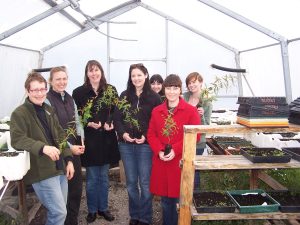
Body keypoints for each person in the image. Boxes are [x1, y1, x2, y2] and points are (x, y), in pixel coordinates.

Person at [10, 72, 75, 225]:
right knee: (59, 213)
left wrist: (69, 159)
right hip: (42, 171)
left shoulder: (48, 109)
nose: (39, 93)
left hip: (59, 167)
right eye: (35, 90)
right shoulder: (20, 113)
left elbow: (60, 135)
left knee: (59, 211)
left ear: (47, 89)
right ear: (27, 91)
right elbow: (17, 139)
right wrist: (43, 147)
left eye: (42, 89)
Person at [147, 74, 200, 225]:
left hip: (180, 162)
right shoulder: (157, 111)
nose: (171, 92)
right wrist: (159, 150)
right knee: (165, 202)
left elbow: (195, 136)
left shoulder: (190, 111)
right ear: (164, 90)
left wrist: (175, 150)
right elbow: (151, 134)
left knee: (180, 202)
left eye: (175, 88)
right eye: (168, 88)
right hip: (162, 161)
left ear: (180, 90)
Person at [114, 63, 161, 225]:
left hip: (145, 146)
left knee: (146, 183)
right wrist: (123, 134)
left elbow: (157, 122)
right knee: (132, 182)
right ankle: (135, 215)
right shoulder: (124, 95)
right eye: (133, 75)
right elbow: (117, 118)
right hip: (126, 146)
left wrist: (146, 136)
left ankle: (146, 218)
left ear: (146, 75)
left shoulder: (154, 98)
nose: (136, 78)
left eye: (139, 75)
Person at [72, 60, 120, 223]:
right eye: (90, 71)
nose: (94, 73)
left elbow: (116, 111)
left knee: (104, 177)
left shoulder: (110, 90)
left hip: (106, 139)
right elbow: (76, 116)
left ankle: (104, 208)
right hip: (90, 141)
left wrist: (111, 122)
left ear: (101, 71)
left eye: (96, 70)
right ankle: (92, 210)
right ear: (86, 74)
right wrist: (88, 122)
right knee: (92, 178)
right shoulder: (79, 92)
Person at [46, 66, 85, 225]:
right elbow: (53, 130)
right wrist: (70, 146)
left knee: (76, 189)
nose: (62, 82)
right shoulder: (47, 100)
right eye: (58, 79)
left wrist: (82, 139)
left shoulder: (69, 98)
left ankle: (72, 220)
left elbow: (77, 121)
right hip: (59, 151)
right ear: (51, 81)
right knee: (63, 192)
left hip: (74, 149)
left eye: (64, 78)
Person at [183, 72, 212, 189]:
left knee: (194, 171)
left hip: (198, 142)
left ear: (201, 82)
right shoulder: (184, 97)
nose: (191, 85)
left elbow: (207, 126)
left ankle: (195, 198)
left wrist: (202, 115)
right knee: (183, 169)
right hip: (183, 139)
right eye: (189, 83)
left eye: (194, 82)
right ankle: (183, 197)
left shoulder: (207, 102)